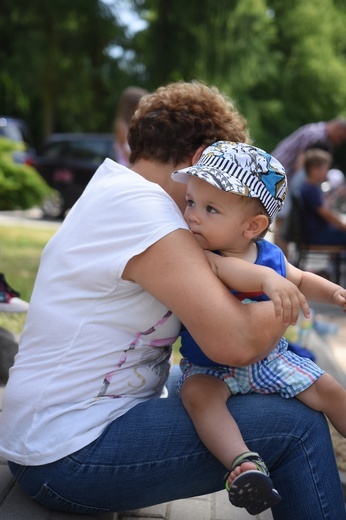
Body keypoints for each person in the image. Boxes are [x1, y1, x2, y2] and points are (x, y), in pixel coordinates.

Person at [0, 81, 345, 520]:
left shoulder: (116, 188)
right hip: (65, 452)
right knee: (297, 425)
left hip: (48, 432)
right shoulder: (148, 213)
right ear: (203, 158)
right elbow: (237, 343)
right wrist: (279, 285)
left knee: (201, 382)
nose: (205, 209)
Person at [171, 140, 346, 515]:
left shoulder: (272, 256)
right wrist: (268, 281)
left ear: (253, 225)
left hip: (271, 362)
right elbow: (230, 272)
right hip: (210, 368)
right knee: (199, 398)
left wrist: (333, 293)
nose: (193, 216)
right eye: (190, 202)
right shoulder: (202, 254)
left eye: (210, 208)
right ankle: (244, 466)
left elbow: (298, 279)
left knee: (329, 389)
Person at [271, 119, 346, 254]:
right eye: (342, 137)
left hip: (286, 178)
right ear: (339, 129)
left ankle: (283, 261)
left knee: (282, 226)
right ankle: (282, 262)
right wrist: (303, 188)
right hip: (281, 177)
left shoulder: (319, 135)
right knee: (281, 225)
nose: (340, 141)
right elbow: (301, 162)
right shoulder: (315, 134)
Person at [299, 148, 346, 246]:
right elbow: (326, 214)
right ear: (314, 169)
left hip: (317, 232)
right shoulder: (310, 189)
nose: (326, 172)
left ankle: (335, 261)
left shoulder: (311, 187)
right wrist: (343, 226)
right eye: (325, 168)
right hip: (317, 234)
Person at [113, 85, 148, 166]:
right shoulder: (122, 125)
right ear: (132, 106)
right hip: (127, 165)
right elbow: (127, 150)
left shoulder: (133, 122)